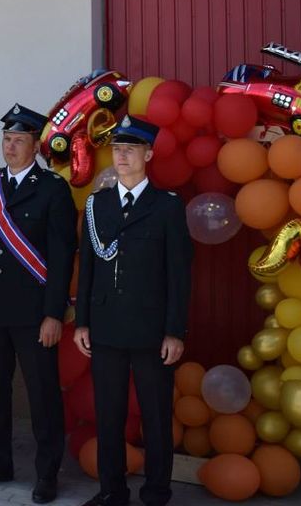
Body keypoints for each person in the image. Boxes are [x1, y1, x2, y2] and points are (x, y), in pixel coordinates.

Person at [75, 115, 193, 506]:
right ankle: (112, 491)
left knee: (156, 417)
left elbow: (179, 274)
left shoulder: (166, 206)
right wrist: (83, 322)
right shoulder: (98, 204)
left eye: (130, 149)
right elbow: (88, 267)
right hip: (106, 327)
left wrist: (175, 331)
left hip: (151, 331)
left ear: (149, 153)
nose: (121, 156)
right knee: (109, 414)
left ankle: (157, 492)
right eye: (117, 149)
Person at [0, 104, 77, 502]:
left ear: (35, 146)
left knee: (42, 395)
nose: (9, 146)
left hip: (33, 314)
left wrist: (53, 312)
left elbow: (63, 255)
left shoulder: (52, 189)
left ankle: (47, 473)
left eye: (18, 140)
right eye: (6, 139)